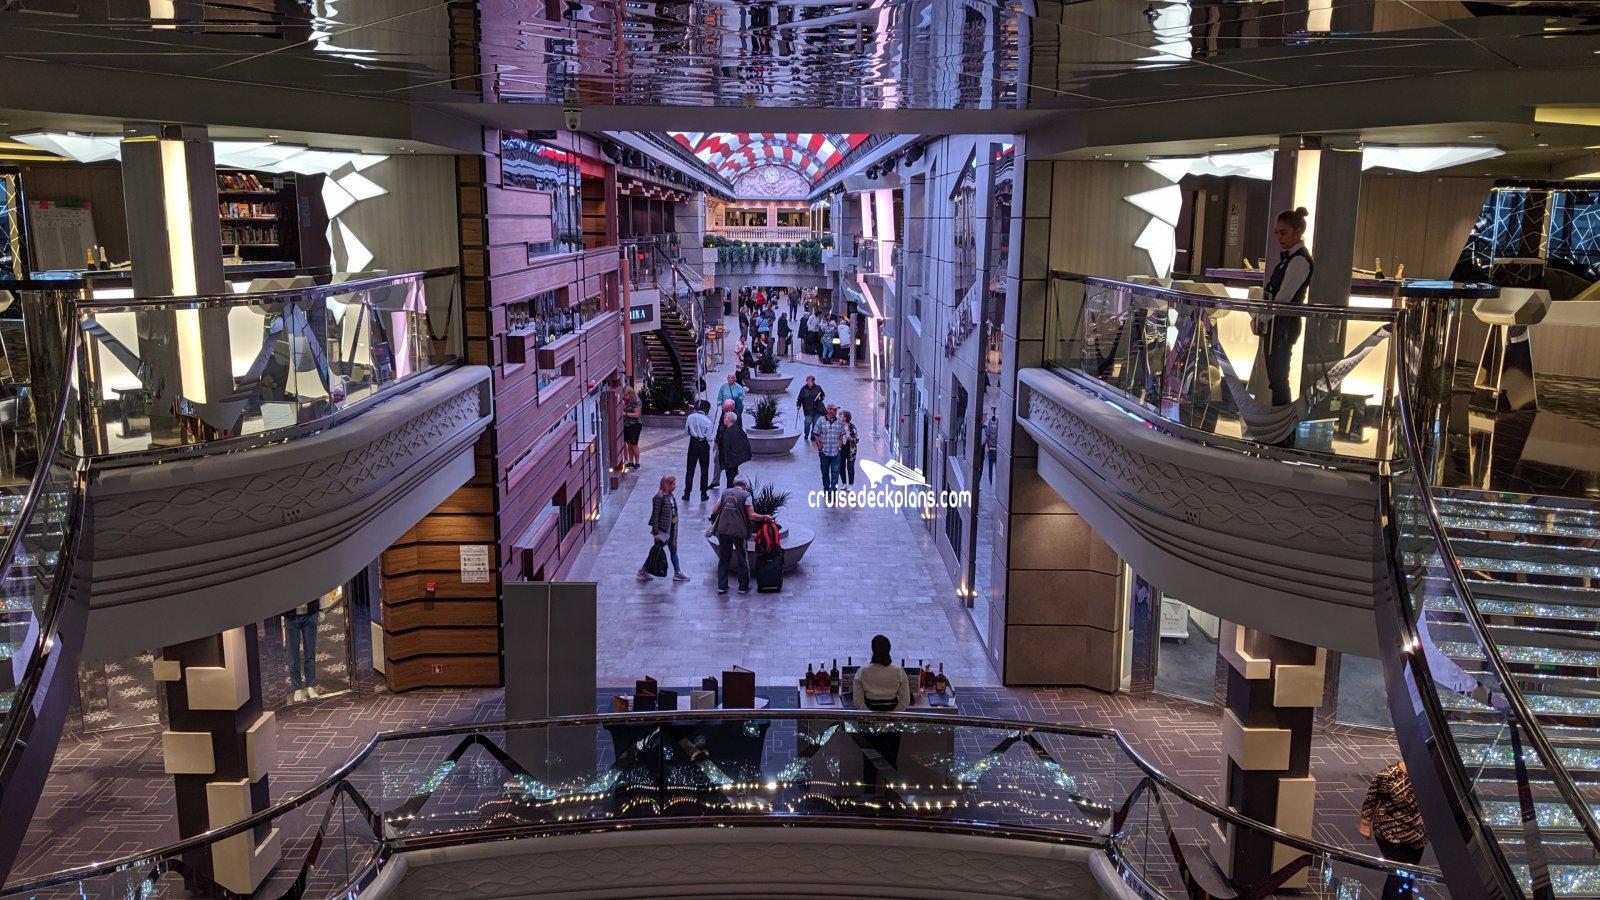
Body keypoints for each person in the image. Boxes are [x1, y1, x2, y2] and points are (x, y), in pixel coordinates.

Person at [1258, 206, 1314, 412]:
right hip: (1278, 323)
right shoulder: (1291, 258)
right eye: (1277, 233)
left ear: (1298, 232)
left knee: (1279, 379)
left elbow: (1283, 298)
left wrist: (1262, 318)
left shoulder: (1299, 260)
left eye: (1283, 233)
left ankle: (1284, 427)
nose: (1279, 238)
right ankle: (1281, 426)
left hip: (1283, 325)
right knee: (1276, 379)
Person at [1361, 760, 1427, 900]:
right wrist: (1365, 822)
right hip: (1391, 835)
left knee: (1406, 874)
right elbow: (1372, 797)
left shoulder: (1427, 777)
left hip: (1417, 837)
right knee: (1400, 874)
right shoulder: (1390, 775)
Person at [710, 475, 770, 594]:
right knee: (742, 558)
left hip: (723, 529)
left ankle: (722, 586)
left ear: (734, 483)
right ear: (745, 485)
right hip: (739, 531)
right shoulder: (746, 496)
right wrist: (765, 516)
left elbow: (715, 509)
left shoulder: (725, 492)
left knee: (724, 558)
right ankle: (743, 587)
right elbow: (752, 515)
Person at [638, 475, 690, 582]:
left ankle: (677, 572)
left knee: (673, 550)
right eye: (673, 484)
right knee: (657, 551)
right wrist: (656, 532)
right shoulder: (659, 497)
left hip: (672, 529)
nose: (675, 486)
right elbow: (655, 515)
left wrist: (675, 522)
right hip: (663, 531)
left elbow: (673, 511)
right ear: (667, 485)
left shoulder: (671, 496)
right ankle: (643, 570)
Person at [284, 594, 324, 703]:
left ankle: (310, 685)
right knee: (292, 654)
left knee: (310, 651)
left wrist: (321, 608)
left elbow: (318, 589)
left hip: (310, 613)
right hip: (291, 615)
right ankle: (297, 688)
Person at [683, 400, 714, 501]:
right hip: (703, 444)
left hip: (693, 443)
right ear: (707, 409)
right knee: (704, 470)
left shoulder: (690, 417)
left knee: (690, 469)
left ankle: (687, 493)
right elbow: (709, 438)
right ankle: (703, 494)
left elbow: (686, 432)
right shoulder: (708, 421)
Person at [813, 404, 845, 495]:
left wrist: (839, 447)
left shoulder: (839, 422)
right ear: (828, 410)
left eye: (836, 410)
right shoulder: (820, 421)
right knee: (825, 473)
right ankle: (826, 489)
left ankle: (833, 491)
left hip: (836, 453)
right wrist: (820, 449)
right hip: (824, 452)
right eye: (833, 409)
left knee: (835, 473)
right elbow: (816, 435)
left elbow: (841, 436)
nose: (835, 411)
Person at [715, 409, 752, 488]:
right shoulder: (738, 429)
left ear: (729, 420)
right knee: (735, 475)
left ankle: (730, 492)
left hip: (729, 460)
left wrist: (725, 461)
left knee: (730, 478)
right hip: (736, 459)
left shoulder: (726, 433)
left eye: (725, 418)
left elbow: (725, 448)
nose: (724, 420)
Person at [619, 384, 643, 471]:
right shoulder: (626, 400)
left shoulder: (637, 401)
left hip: (635, 425)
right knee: (629, 443)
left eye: (625, 394)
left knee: (634, 444)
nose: (624, 396)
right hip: (627, 425)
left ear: (630, 393)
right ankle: (631, 461)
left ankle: (637, 462)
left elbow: (636, 414)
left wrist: (625, 414)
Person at [797, 375, 826, 440]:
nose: (808, 382)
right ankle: (806, 434)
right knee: (807, 422)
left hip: (817, 409)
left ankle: (813, 435)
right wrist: (798, 405)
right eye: (807, 381)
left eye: (810, 381)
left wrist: (820, 398)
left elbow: (823, 395)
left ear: (813, 381)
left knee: (815, 423)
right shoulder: (803, 389)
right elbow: (800, 398)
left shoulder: (818, 387)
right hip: (807, 409)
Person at [838, 409, 859, 487]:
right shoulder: (838, 426)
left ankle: (850, 484)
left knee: (850, 467)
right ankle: (843, 483)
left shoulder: (852, 427)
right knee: (841, 466)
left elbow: (856, 439)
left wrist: (849, 437)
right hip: (841, 448)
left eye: (841, 416)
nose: (839, 417)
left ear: (845, 418)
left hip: (851, 449)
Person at [982, 410, 999, 484]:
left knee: (992, 466)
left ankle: (992, 481)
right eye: (984, 416)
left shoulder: (987, 425)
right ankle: (992, 481)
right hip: (993, 449)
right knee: (992, 466)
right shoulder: (986, 426)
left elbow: (987, 436)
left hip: (992, 449)